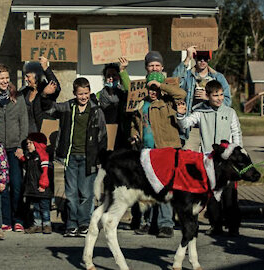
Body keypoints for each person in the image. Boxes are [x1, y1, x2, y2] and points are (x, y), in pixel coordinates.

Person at [41, 77, 107, 237]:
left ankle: (84, 223)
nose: (83, 97)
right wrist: (44, 95)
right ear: (74, 94)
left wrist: (101, 158)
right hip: (70, 157)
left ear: (90, 92)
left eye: (86, 93)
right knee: (70, 193)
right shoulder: (68, 107)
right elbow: (48, 109)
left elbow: (102, 136)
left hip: (89, 158)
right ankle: (71, 224)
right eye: (80, 94)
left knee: (86, 193)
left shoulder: (96, 110)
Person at [130, 54, 187, 238]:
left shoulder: (168, 97)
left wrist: (160, 86)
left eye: (158, 65)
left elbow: (182, 95)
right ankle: (148, 223)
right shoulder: (141, 102)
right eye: (151, 65)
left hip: (166, 149)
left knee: (164, 187)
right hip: (147, 151)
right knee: (148, 187)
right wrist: (134, 135)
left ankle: (165, 224)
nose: (152, 91)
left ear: (162, 68)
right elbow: (134, 123)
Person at [176, 80, 242, 236]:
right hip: (209, 161)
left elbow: (237, 134)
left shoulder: (230, 112)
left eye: (221, 94)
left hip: (227, 161)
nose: (219, 98)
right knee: (212, 195)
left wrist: (237, 155)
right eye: (215, 95)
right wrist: (180, 114)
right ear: (207, 96)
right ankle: (216, 225)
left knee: (229, 194)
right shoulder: (200, 112)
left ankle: (233, 226)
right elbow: (185, 124)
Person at [0, 64, 28, 232]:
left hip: (15, 148)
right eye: (1, 78)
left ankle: (18, 219)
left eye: (7, 78)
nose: (5, 81)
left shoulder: (18, 97)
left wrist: (21, 146)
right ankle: (5, 220)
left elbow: (24, 123)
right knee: (2, 185)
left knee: (17, 184)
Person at [172, 46, 232, 151]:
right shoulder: (187, 75)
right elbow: (174, 82)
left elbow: (227, 102)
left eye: (205, 58)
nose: (202, 61)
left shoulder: (218, 77)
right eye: (200, 58)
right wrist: (187, 58)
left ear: (209, 59)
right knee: (189, 157)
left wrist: (208, 98)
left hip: (212, 126)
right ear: (195, 58)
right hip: (192, 127)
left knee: (211, 160)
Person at [19, 132, 53, 234]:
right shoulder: (30, 156)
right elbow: (25, 160)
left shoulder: (43, 156)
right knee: (36, 208)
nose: (27, 145)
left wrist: (43, 185)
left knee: (44, 207)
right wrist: (20, 157)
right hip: (33, 188)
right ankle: (37, 224)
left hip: (42, 188)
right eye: (27, 143)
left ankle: (47, 224)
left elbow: (45, 173)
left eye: (30, 143)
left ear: (37, 144)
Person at [97, 57, 132, 150]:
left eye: (114, 75)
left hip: (121, 134)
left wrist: (123, 70)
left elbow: (131, 91)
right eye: (108, 76)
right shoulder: (98, 95)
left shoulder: (124, 94)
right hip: (105, 134)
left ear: (119, 77)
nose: (111, 78)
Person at [21, 56, 61, 133]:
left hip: (45, 133)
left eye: (28, 76)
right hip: (28, 134)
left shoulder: (46, 88)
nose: (25, 79)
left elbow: (56, 87)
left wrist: (46, 68)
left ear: (36, 76)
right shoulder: (25, 91)